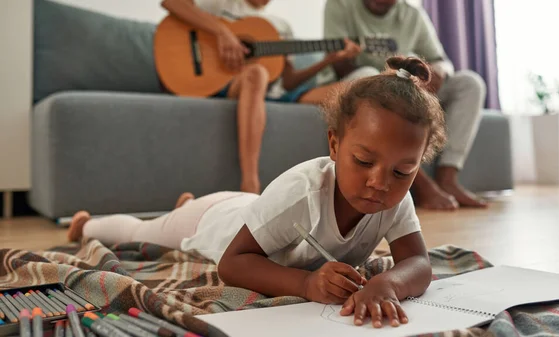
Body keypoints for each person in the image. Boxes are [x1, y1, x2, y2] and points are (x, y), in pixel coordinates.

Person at [67, 55, 446, 328]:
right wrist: (307, 283)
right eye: (363, 161)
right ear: (333, 145)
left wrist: (387, 283)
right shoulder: (303, 191)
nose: (380, 182)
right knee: (139, 232)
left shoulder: (396, 198)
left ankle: (186, 203)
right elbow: (232, 264)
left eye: (402, 171)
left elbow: (418, 263)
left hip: (258, 212)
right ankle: (86, 225)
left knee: (228, 213)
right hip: (214, 222)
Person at [160, 0, 364, 194]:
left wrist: (328, 60)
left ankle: (346, 181)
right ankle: (250, 184)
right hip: (228, 83)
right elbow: (171, 3)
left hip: (274, 93)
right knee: (257, 73)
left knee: (355, 89)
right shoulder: (223, 4)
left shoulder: (280, 27)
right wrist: (222, 32)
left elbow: (289, 82)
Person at [319, 0, 488, 210]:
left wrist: (437, 73)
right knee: (367, 76)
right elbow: (339, 67)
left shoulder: (413, 14)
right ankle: (422, 185)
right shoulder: (339, 5)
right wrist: (389, 82)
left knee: (470, 84)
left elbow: (441, 60)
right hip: (364, 83)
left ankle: (448, 177)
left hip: (408, 85)